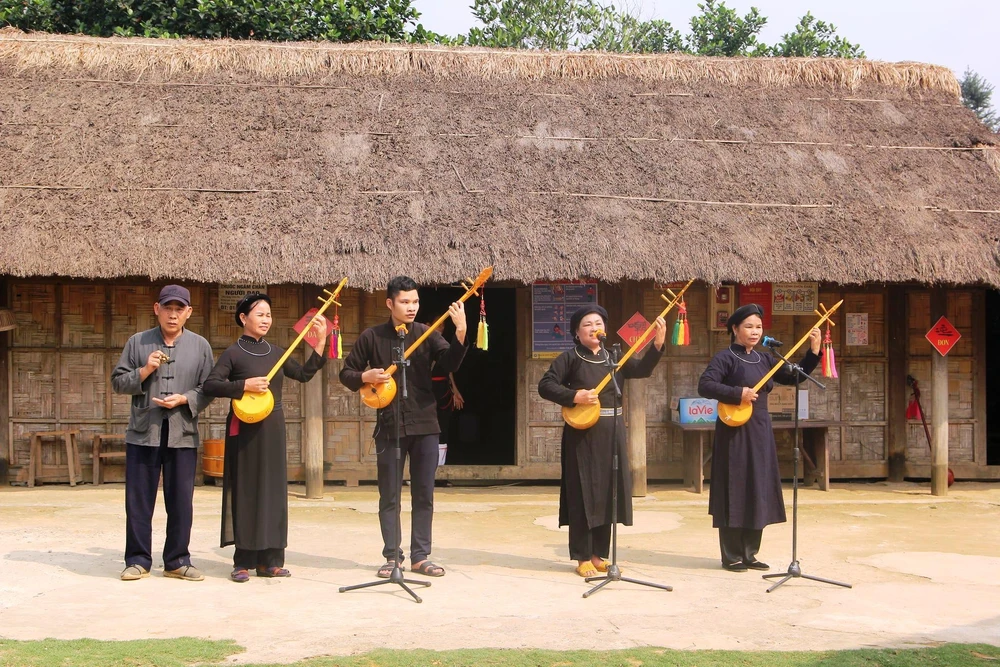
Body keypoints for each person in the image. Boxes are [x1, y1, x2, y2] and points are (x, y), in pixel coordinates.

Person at [339, 276, 468, 579]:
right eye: (405, 302)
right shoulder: (372, 337)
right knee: (390, 495)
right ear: (390, 303)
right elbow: (346, 373)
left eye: (415, 302)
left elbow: (450, 364)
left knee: (424, 493)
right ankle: (392, 557)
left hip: (426, 423)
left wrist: (460, 331)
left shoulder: (426, 333)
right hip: (389, 425)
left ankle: (420, 556)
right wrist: (366, 377)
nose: (411, 308)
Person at [203, 293, 327, 583]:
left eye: (269, 315)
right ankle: (243, 559)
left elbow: (305, 374)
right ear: (244, 318)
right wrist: (242, 384)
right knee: (247, 489)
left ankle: (271, 560)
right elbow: (211, 384)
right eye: (260, 314)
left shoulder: (278, 352)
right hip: (245, 429)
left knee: (272, 491)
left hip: (273, 427)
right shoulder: (233, 353)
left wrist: (319, 342)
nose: (266, 320)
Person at [537, 305, 667, 577]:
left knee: (608, 493)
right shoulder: (569, 358)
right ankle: (582, 556)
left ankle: (598, 555)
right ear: (576, 332)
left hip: (612, 431)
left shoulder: (615, 356)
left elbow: (642, 370)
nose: (594, 327)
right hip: (583, 433)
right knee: (583, 492)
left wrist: (658, 342)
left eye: (598, 322)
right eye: (587, 324)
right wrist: (575, 396)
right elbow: (545, 385)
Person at [697, 303, 822, 572]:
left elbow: (794, 376)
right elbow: (705, 385)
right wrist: (737, 393)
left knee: (757, 486)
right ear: (735, 329)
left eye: (759, 327)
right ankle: (731, 555)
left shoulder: (766, 358)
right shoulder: (725, 358)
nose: (755, 332)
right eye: (749, 326)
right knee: (735, 486)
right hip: (733, 430)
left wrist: (814, 351)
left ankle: (750, 553)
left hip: (760, 429)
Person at [111, 284, 215, 582]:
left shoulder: (200, 346)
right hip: (144, 432)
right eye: (167, 308)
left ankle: (177, 560)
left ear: (188, 313)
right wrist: (143, 371)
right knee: (139, 500)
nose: (173, 314)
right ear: (156, 309)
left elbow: (209, 388)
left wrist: (185, 399)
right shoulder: (137, 343)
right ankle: (138, 559)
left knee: (181, 500)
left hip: (182, 433)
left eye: (179, 309)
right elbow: (118, 382)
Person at [430, 319, 465, 469]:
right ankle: (417, 473)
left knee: (442, 429)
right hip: (425, 390)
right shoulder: (419, 343)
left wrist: (455, 391)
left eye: (442, 325)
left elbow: (449, 368)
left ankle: (441, 472)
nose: (440, 328)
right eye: (437, 324)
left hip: (442, 389)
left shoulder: (443, 344)